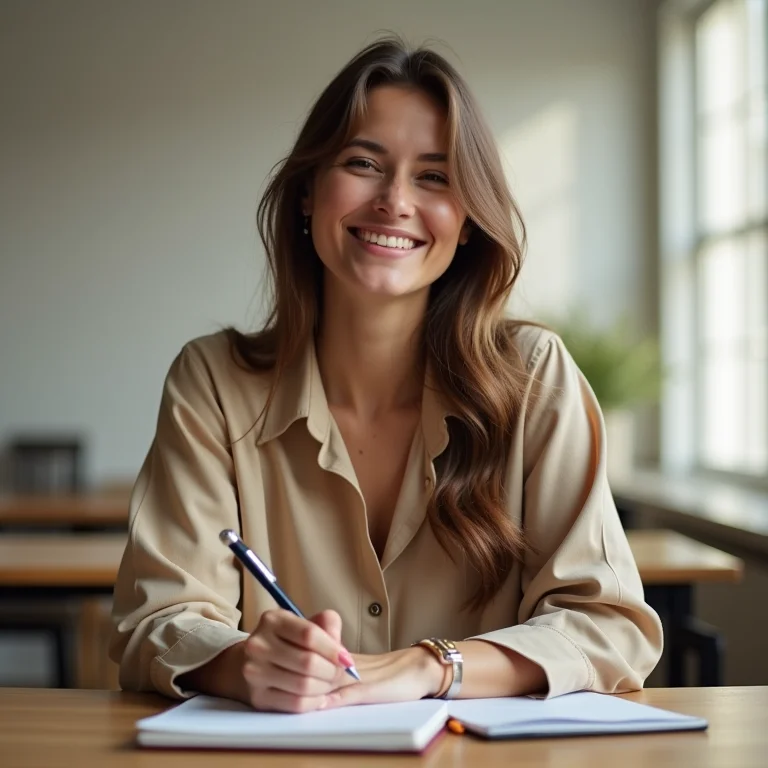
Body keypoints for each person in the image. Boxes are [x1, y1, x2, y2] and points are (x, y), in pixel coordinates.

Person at [110, 36, 663, 712]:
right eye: (364, 163)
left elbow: (609, 625)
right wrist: (243, 663)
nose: (395, 200)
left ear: (466, 223)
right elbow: (154, 622)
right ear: (309, 193)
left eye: (433, 176)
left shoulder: (535, 377)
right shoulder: (213, 381)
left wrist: (433, 667)